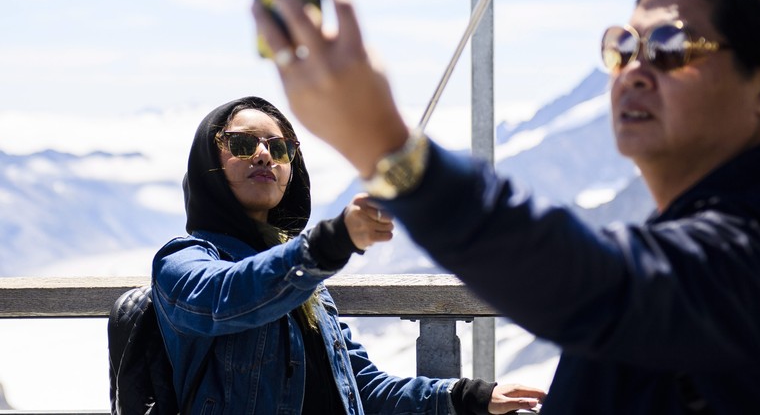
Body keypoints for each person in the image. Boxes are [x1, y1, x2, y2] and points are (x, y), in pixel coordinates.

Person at [252, 0, 760, 414]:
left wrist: (392, 151)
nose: (633, 70)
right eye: (622, 47)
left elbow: (601, 286)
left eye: (670, 48)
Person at [151, 96, 545, 414]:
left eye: (280, 148)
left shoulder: (306, 280)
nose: (264, 156)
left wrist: (467, 396)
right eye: (242, 143)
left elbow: (362, 388)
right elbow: (227, 298)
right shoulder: (182, 260)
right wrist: (329, 243)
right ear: (208, 163)